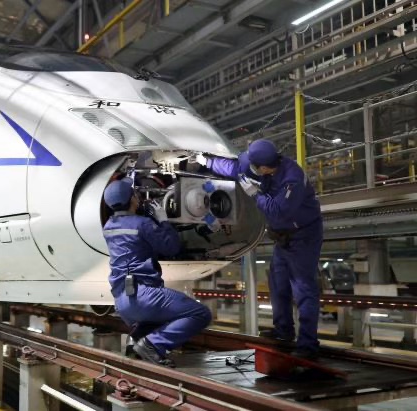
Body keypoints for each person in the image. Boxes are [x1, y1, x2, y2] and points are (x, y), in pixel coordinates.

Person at [198, 139, 323, 359]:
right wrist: (205, 161)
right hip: (282, 238)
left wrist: (255, 194)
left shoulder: (292, 179)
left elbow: (277, 212)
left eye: (254, 166)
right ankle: (284, 332)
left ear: (264, 168)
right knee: (278, 284)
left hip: (304, 237)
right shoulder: (255, 164)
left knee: (303, 289)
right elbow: (234, 168)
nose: (250, 166)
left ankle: (308, 345)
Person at [102, 177, 212, 367]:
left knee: (161, 316)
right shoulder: (142, 224)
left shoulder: (108, 227)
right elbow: (171, 248)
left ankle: (135, 340)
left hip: (122, 300)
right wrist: (163, 220)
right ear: (133, 199)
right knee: (200, 313)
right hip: (145, 296)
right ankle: (153, 345)